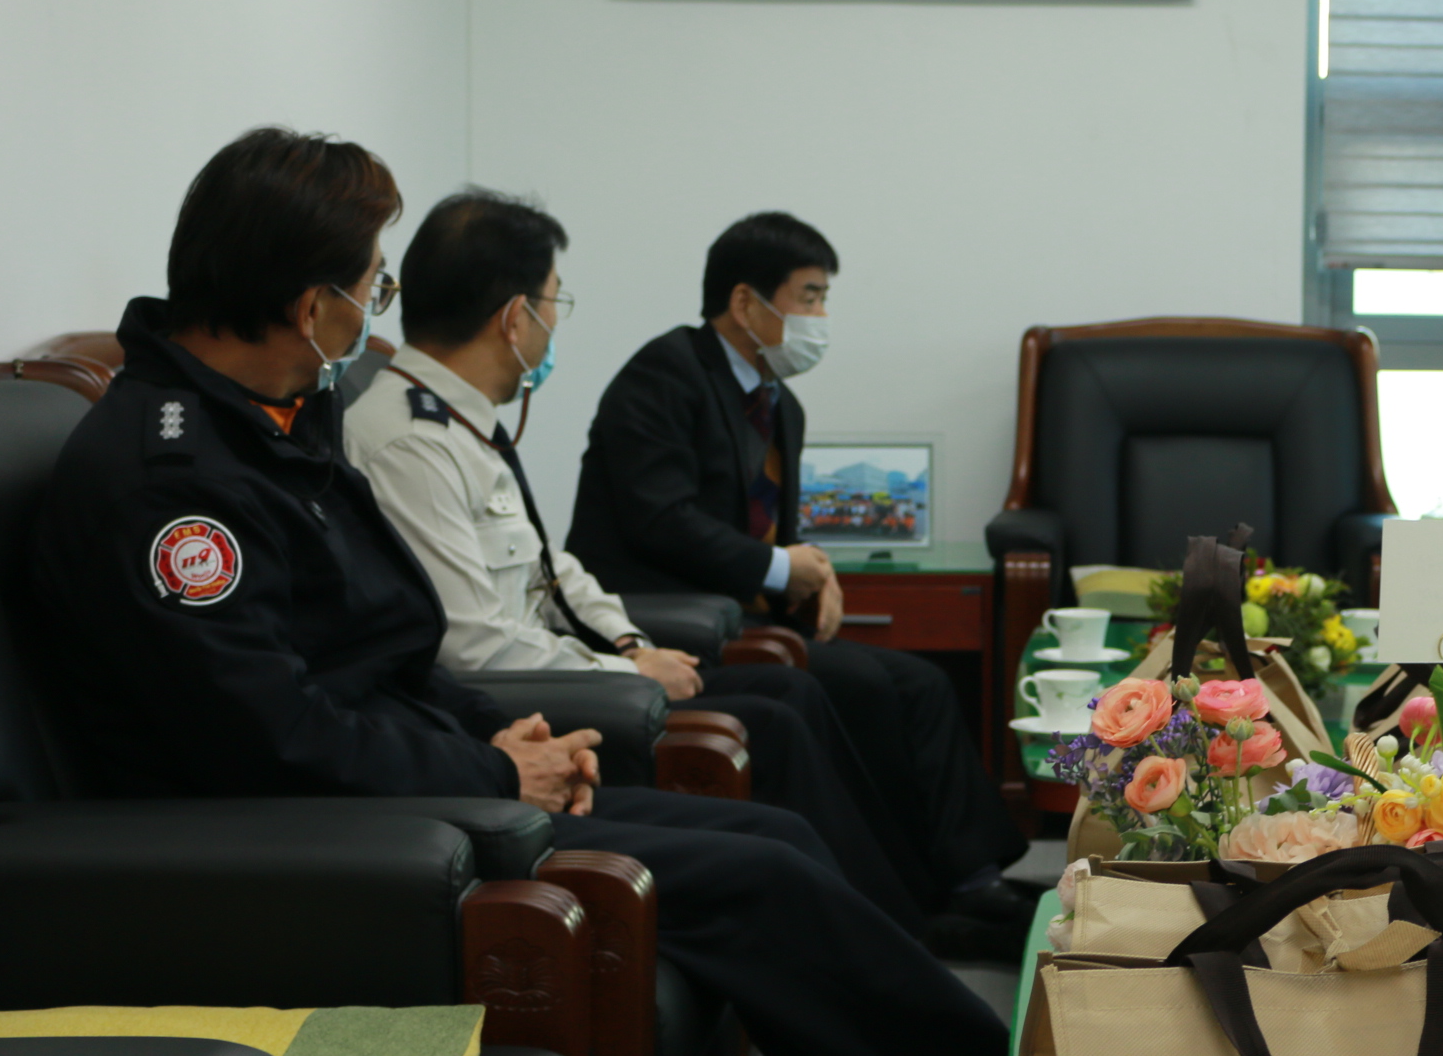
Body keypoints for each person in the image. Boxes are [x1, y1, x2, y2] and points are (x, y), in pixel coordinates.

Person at [25, 128, 1013, 1056]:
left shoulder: (273, 420)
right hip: (311, 843)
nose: (378, 308)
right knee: (759, 881)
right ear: (308, 303)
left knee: (777, 840)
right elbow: (268, 735)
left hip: (409, 783)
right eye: (372, 281)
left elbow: (390, 644)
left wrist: (502, 742)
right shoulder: (171, 483)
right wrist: (487, 773)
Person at [343, 188, 1020, 957]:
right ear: (514, 317)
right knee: (787, 708)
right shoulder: (414, 440)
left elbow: (552, 572)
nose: (557, 321)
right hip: (535, 695)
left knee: (830, 694)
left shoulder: (466, 422)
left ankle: (919, 904)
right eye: (555, 300)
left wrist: (630, 646)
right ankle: (896, 933)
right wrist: (624, 670)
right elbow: (478, 644)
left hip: (587, 660)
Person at [568, 211, 1030, 911]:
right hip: (664, 618)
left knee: (922, 684)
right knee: (864, 687)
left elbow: (769, 534)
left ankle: (970, 878)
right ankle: (909, 897)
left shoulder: (780, 405)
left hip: (746, 615)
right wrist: (784, 569)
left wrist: (813, 580)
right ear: (745, 302)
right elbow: (660, 521)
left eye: (824, 299)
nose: (820, 318)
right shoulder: (663, 375)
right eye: (809, 297)